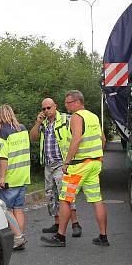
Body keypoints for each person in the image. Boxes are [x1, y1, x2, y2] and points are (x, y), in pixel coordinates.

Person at [41, 90, 108, 247]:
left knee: (65, 199)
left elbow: (76, 140)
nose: (66, 106)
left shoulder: (77, 117)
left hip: (79, 165)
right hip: (94, 163)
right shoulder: (93, 116)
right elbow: (103, 139)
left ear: (77, 102)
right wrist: (98, 155)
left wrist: (66, 162)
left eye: (68, 103)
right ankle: (103, 237)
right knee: (96, 199)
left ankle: (60, 236)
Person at [29, 97, 82, 238]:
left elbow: (78, 132)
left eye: (49, 107)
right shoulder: (43, 123)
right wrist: (37, 123)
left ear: (55, 107)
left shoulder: (66, 119)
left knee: (66, 195)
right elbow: (33, 138)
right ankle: (57, 223)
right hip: (48, 164)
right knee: (51, 195)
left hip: (62, 163)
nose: (46, 111)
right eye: (44, 108)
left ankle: (75, 224)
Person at [0, 104, 30, 251]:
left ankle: (18, 237)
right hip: (24, 175)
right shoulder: (23, 128)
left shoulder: (4, 132)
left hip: (11, 177)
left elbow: (3, 157)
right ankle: (19, 237)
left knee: (5, 209)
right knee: (18, 209)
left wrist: (2, 178)